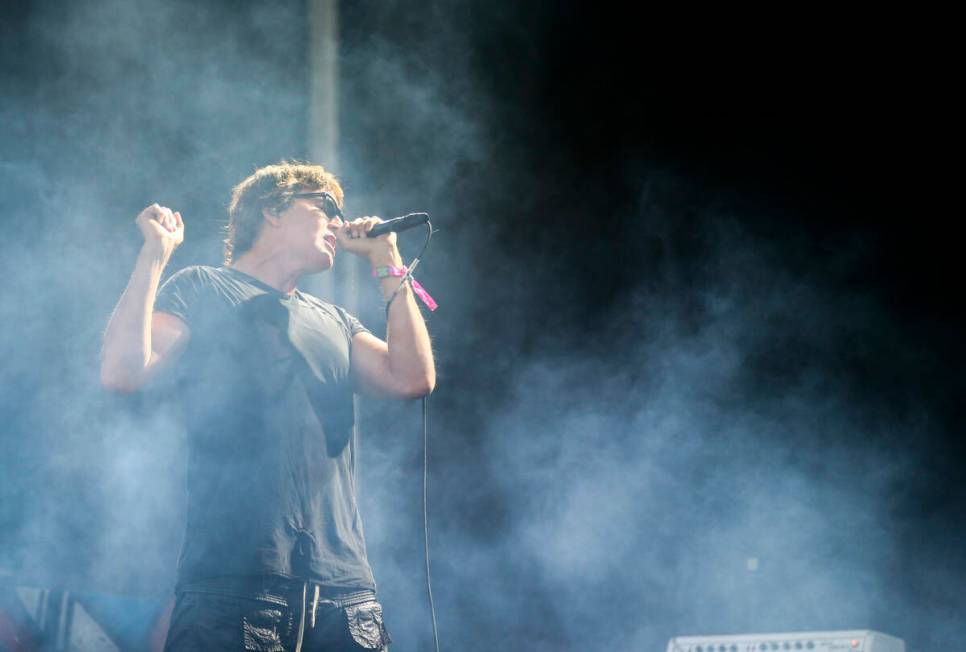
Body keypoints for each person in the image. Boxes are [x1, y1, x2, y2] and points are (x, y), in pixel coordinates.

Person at [100, 162, 435, 651]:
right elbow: (122, 373)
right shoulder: (202, 287)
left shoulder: (336, 321)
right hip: (236, 586)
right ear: (273, 211)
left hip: (344, 595)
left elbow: (412, 378)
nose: (340, 223)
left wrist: (387, 261)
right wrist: (154, 257)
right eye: (325, 206)